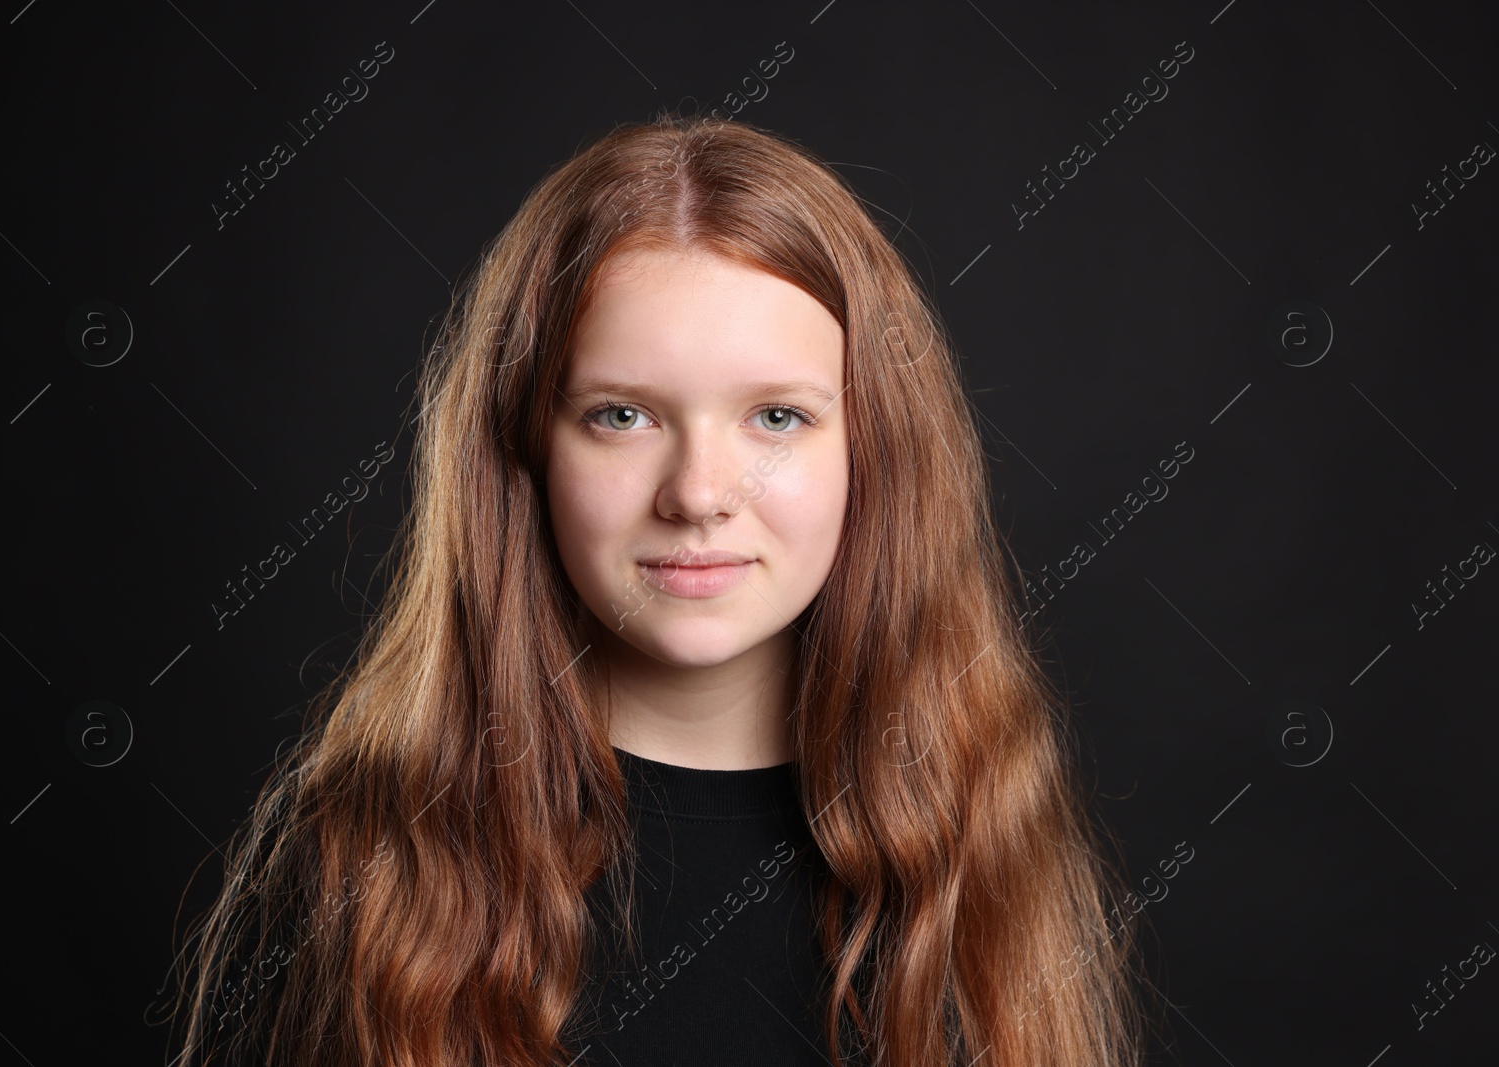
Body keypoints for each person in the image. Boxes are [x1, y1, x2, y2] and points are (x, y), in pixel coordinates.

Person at [164, 111, 1145, 1067]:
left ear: (873, 452)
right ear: (526, 447)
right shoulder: (359, 866)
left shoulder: (982, 847)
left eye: (775, 416)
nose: (699, 493)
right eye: (622, 413)